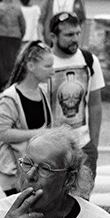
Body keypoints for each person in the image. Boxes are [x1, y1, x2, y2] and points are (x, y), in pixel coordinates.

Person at [44, 12, 103, 177]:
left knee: (82, 201)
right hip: (51, 147)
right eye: (69, 35)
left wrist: (93, 146)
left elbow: (95, 105)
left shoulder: (90, 60)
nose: (75, 39)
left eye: (78, 33)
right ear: (53, 37)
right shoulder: (43, 62)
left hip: (83, 146)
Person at [0, 42, 53, 196]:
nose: (52, 71)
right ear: (31, 66)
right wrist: (36, 133)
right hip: (15, 174)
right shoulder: (9, 97)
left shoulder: (44, 93)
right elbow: (1, 133)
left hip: (35, 173)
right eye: (47, 66)